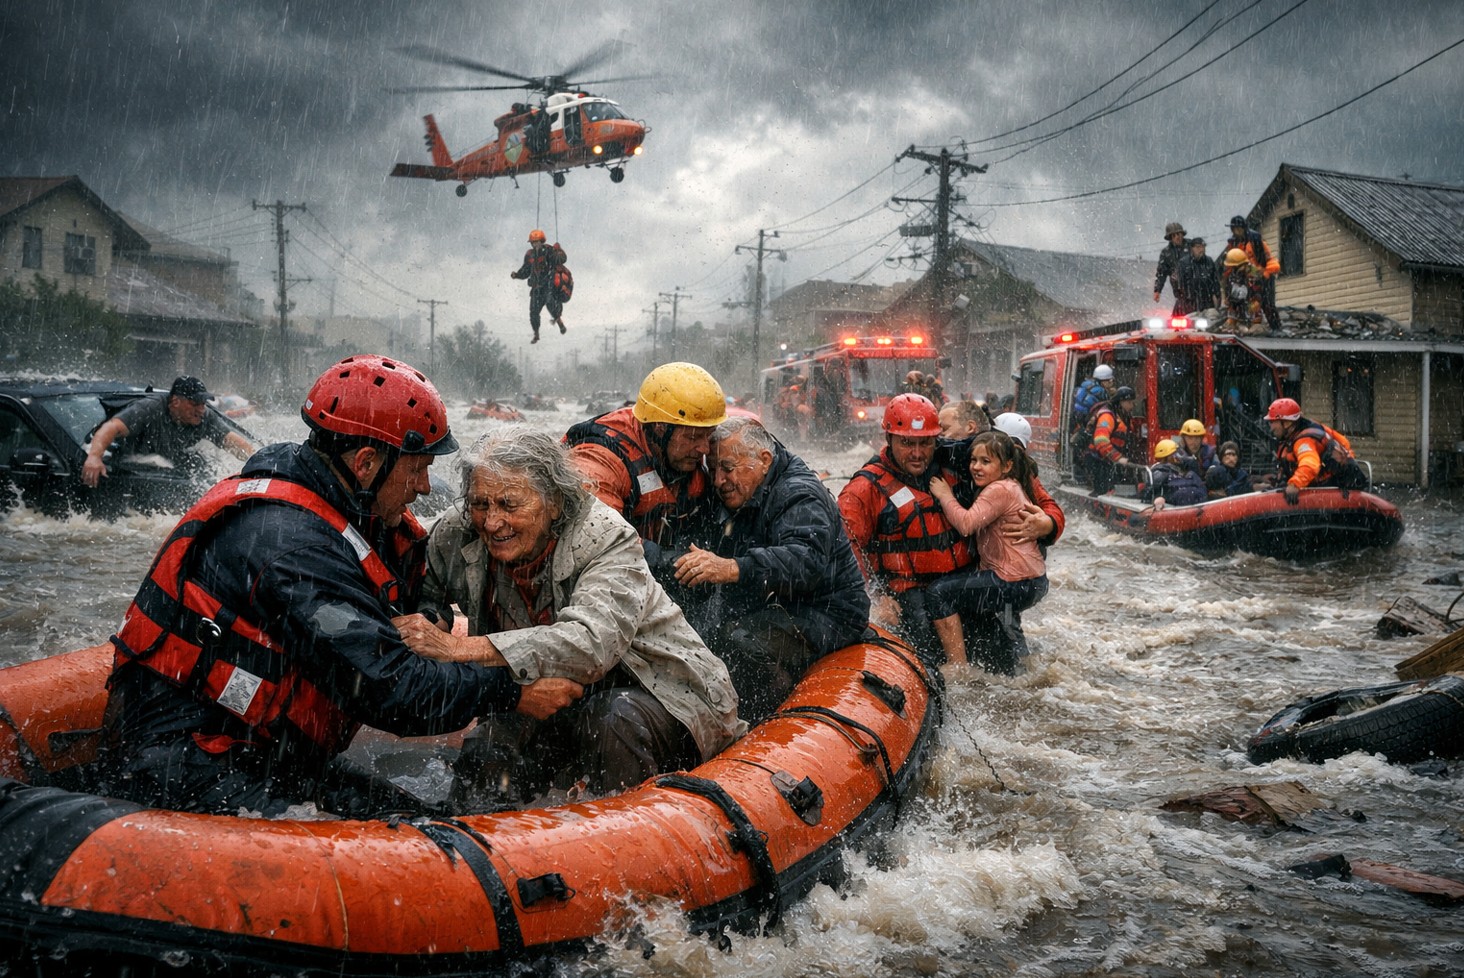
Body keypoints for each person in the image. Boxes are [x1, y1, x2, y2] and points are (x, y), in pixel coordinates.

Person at [99, 355, 584, 817]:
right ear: (367, 462)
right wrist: (510, 691)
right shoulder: (292, 548)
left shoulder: (347, 509)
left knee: (431, 819)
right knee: (418, 847)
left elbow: (419, 587)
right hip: (189, 762)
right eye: (417, 467)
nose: (423, 486)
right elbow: (390, 691)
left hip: (261, 754)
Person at [394, 427, 744, 808]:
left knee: (612, 720)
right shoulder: (458, 530)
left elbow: (590, 645)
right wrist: (432, 619)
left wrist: (458, 648)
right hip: (547, 691)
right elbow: (430, 591)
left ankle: (634, 845)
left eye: (509, 505)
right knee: (486, 751)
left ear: (555, 503)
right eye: (481, 504)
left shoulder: (606, 536)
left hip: (662, 692)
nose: (492, 522)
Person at [672, 417, 869, 723]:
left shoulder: (799, 494)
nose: (719, 480)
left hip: (829, 614)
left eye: (727, 468)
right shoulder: (747, 489)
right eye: (714, 470)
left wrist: (733, 567)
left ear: (764, 460)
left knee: (738, 644)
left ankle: (758, 724)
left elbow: (805, 562)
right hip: (783, 606)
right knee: (705, 634)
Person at [836, 393, 970, 663]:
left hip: (956, 591)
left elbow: (1029, 492)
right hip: (908, 599)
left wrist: (1046, 524)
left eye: (925, 443)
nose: (918, 453)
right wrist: (875, 597)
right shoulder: (863, 490)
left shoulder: (958, 466)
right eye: (907, 443)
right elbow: (843, 552)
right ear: (889, 439)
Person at [565, 362, 726, 579]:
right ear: (660, 428)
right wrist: (675, 564)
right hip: (600, 575)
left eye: (708, 435)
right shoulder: (600, 460)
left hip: (652, 566)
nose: (704, 449)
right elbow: (597, 538)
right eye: (693, 437)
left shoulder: (684, 457)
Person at [926, 430, 1048, 673]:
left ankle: (958, 665)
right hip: (1031, 581)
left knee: (938, 593)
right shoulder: (1010, 485)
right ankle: (1017, 666)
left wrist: (945, 495)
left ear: (1006, 466)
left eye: (986, 461)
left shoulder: (999, 489)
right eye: (973, 460)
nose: (976, 468)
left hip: (1015, 582)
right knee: (1001, 623)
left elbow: (966, 524)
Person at [82, 375, 256, 487]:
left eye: (203, 404)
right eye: (195, 403)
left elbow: (233, 441)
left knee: (203, 469)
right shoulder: (149, 408)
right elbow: (111, 428)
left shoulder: (204, 416)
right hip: (128, 469)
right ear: (175, 402)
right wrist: (94, 458)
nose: (201, 409)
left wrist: (258, 464)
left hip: (168, 469)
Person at [1260, 397, 1368, 503]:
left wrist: (1294, 484)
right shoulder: (1308, 429)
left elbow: (1311, 465)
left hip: (1338, 488)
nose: (1271, 427)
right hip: (1340, 484)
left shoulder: (1304, 441)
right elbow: (1344, 443)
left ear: (1287, 423)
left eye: (1273, 422)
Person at [510, 229, 568, 345]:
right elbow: (525, 270)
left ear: (542, 241)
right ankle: (536, 333)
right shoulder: (530, 255)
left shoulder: (548, 250)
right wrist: (517, 275)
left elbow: (561, 260)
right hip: (536, 288)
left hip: (548, 287)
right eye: (533, 242)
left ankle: (559, 322)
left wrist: (559, 250)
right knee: (533, 312)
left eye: (537, 242)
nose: (535, 244)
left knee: (551, 304)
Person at [1225, 216, 1281, 331]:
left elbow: (1267, 260)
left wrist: (1262, 273)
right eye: (1234, 229)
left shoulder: (1255, 239)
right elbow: (1229, 267)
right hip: (1244, 276)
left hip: (1259, 275)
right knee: (1236, 300)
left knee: (1266, 304)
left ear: (1243, 228)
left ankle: (1275, 328)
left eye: (1238, 228)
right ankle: (1237, 323)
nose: (1236, 231)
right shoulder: (1233, 243)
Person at [1084, 385, 1137, 497]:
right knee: (1103, 491)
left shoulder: (1122, 416)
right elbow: (1101, 441)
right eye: (1130, 402)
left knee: (1113, 488)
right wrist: (1118, 458)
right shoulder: (1107, 416)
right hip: (1098, 461)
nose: (1132, 406)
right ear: (1122, 402)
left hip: (1107, 461)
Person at [1142, 439, 1209, 510]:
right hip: (1176, 500)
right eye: (1175, 454)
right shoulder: (1160, 471)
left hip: (1193, 499)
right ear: (1166, 457)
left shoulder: (1184, 469)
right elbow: (1150, 492)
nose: (1178, 456)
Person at [1220, 248, 1267, 333]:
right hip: (1236, 309)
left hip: (1250, 307)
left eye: (1234, 266)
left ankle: (1250, 326)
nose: (1232, 268)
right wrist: (1229, 300)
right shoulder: (1231, 275)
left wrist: (1247, 300)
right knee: (1227, 327)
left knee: (1253, 327)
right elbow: (1228, 290)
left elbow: (1258, 291)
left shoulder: (1253, 273)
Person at [1176, 237, 1221, 315]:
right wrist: (1184, 298)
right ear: (1191, 248)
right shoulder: (1183, 263)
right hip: (1190, 303)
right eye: (1198, 247)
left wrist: (1217, 296)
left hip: (1207, 302)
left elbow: (1215, 281)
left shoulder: (1209, 261)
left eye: (1203, 247)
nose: (1201, 249)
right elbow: (1180, 284)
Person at [1153, 222, 1189, 311]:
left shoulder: (1192, 246)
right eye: (1174, 235)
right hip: (1179, 291)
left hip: (1197, 287)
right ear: (1170, 238)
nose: (1177, 237)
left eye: (1179, 234)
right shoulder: (1166, 253)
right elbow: (1161, 273)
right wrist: (1157, 290)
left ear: (1182, 234)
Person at [1072, 364, 1115, 431]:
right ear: (1103, 381)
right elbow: (1109, 405)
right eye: (1110, 381)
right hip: (1087, 420)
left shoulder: (1086, 386)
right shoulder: (1101, 391)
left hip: (1077, 419)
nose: (1111, 383)